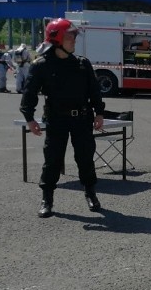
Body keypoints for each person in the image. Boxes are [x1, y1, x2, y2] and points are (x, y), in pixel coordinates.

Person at [20, 18, 106, 218]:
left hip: (82, 119)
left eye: (75, 36)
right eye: (70, 36)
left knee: (85, 157)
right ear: (57, 39)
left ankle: (91, 193)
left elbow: (94, 91)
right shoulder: (41, 65)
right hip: (56, 119)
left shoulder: (82, 64)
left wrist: (99, 112)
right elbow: (29, 93)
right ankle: (47, 199)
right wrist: (30, 118)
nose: (74, 40)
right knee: (52, 159)